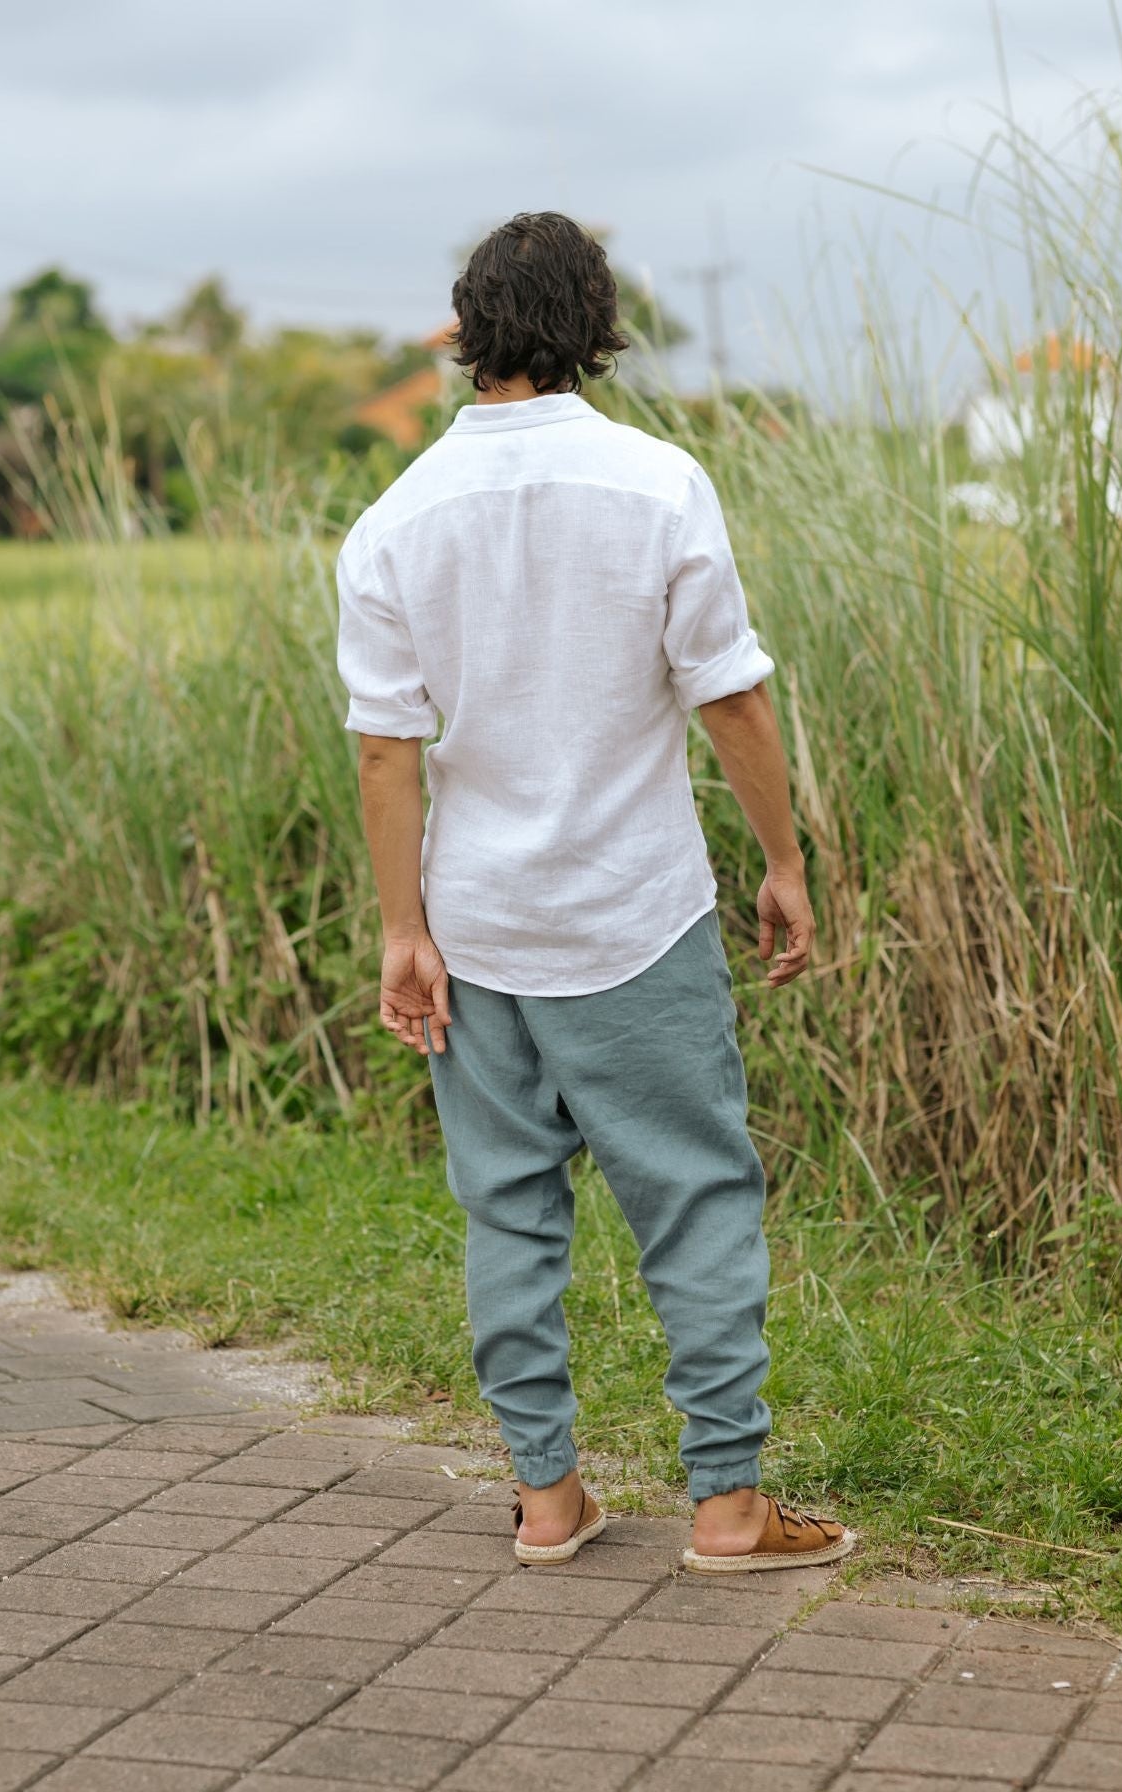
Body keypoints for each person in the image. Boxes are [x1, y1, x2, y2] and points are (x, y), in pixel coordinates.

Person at [336, 210, 854, 1574]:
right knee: (693, 1197)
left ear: (469, 335)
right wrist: (785, 866)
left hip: (478, 924)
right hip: (638, 913)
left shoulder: (394, 521)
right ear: (595, 324)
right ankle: (730, 1505)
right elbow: (729, 699)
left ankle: (548, 1500)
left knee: (508, 1208)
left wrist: (404, 933)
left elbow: (388, 749)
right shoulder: (658, 484)